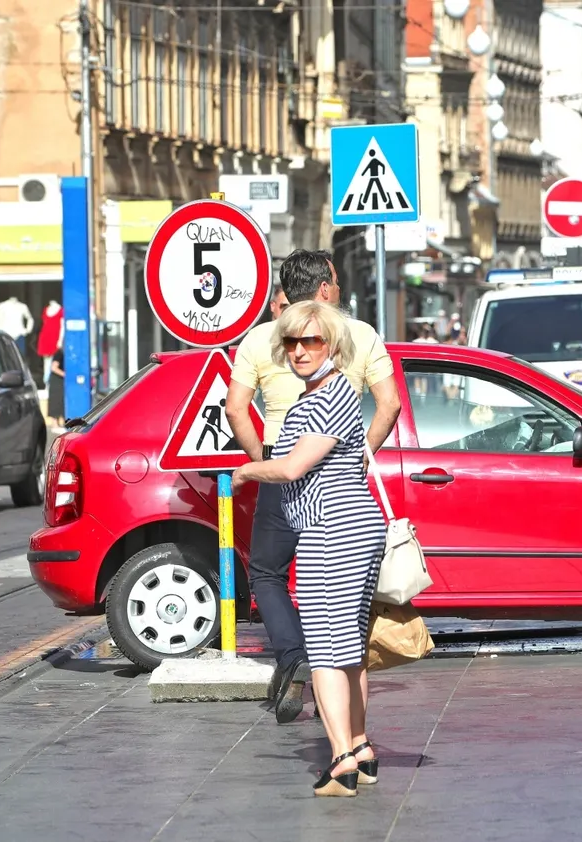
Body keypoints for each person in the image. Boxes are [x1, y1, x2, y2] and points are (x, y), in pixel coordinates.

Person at [225, 249, 401, 725]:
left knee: (266, 572)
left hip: (284, 474)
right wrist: (358, 453)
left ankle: (293, 655)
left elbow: (236, 407)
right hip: (340, 483)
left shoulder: (262, 338)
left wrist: (260, 461)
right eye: (337, 284)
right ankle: (350, 736)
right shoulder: (358, 334)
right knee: (345, 613)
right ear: (325, 289)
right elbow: (390, 404)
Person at [231, 301, 384, 797]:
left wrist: (247, 470)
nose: (300, 351)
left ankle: (340, 759)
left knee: (324, 651)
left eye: (311, 341)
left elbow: (293, 467)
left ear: (333, 346)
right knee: (350, 649)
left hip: (332, 533)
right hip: (350, 528)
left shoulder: (327, 397)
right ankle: (359, 748)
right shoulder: (328, 392)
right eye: (292, 342)